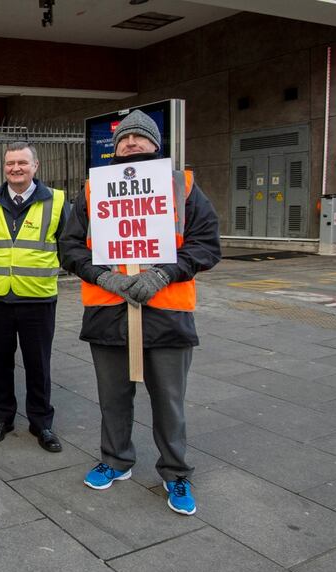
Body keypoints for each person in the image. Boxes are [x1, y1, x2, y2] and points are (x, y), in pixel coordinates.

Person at [59, 109, 221, 516]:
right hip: (108, 312)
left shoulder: (182, 187)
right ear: (114, 149)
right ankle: (116, 460)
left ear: (156, 145)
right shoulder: (93, 190)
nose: (130, 144)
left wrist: (163, 274)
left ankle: (175, 472)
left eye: (139, 138)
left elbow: (206, 245)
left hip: (166, 313)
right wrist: (103, 277)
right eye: (123, 140)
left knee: (169, 401)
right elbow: (70, 247)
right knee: (113, 398)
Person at [0, 142, 67, 452]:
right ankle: (3, 416)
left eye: (22, 163)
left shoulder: (56, 201)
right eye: (10, 163)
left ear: (35, 166)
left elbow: (66, 244)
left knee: (38, 363)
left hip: (37, 298)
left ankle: (42, 423)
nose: (15, 168)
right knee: (0, 361)